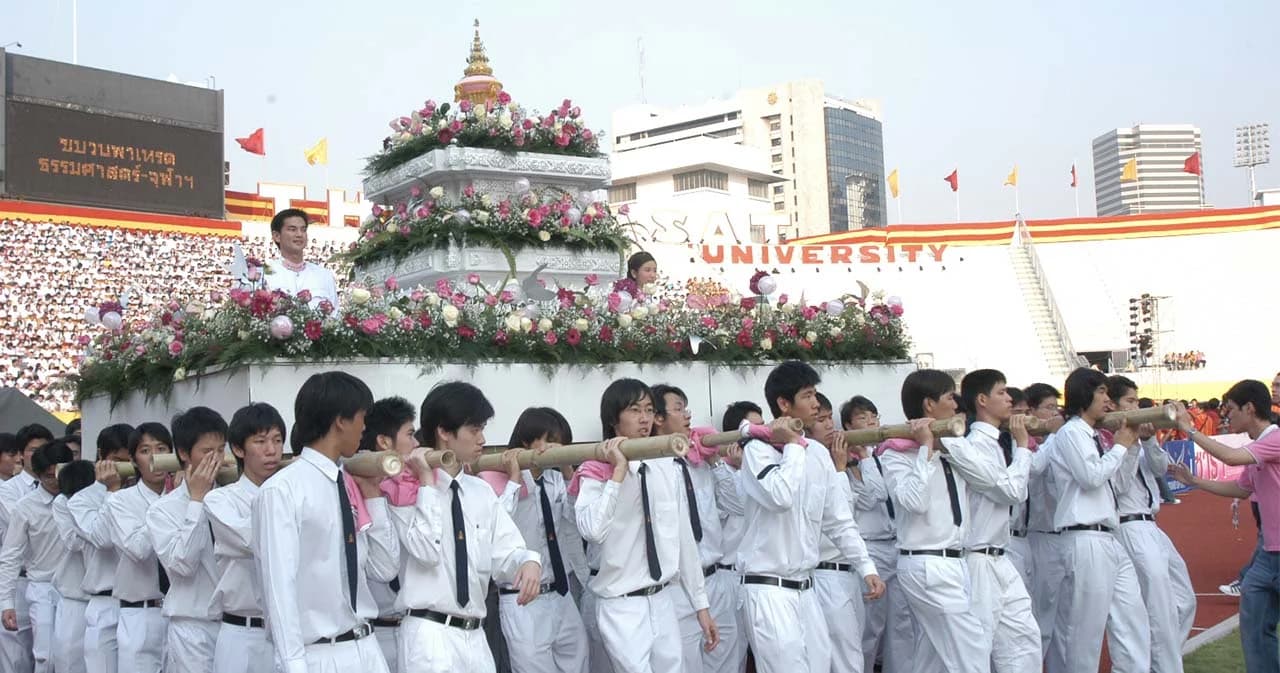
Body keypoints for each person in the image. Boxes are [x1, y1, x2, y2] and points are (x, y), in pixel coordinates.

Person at [737, 361, 882, 673]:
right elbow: (780, 496)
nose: (816, 403)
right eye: (807, 396)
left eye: (815, 394)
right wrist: (792, 445)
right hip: (768, 589)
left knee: (821, 664)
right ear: (784, 404)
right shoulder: (757, 450)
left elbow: (839, 520)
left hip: (807, 587)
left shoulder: (816, 453)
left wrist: (865, 566)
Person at [252, 371, 399, 673]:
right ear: (341, 420)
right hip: (318, 654)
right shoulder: (283, 490)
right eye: (362, 417)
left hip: (367, 648)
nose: (365, 427)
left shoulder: (348, 482)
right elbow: (279, 588)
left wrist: (373, 495)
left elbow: (384, 568)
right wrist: (293, 665)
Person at [390, 381, 541, 673]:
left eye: (482, 429)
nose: (482, 439)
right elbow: (425, 551)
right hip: (429, 635)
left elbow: (506, 554)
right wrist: (426, 483)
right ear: (444, 432)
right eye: (474, 430)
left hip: (475, 636)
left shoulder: (480, 491)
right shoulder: (406, 488)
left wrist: (529, 561)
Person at [575, 378, 717, 673]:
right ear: (613, 419)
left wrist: (701, 606)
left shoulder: (666, 467)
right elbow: (592, 530)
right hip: (621, 604)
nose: (644, 418)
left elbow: (683, 540)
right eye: (634, 410)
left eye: (649, 410)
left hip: (663, 598)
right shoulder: (595, 469)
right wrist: (617, 473)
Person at [878, 369, 996, 673]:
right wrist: (925, 450)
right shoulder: (894, 452)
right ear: (929, 405)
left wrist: (947, 445)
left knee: (933, 659)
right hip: (927, 563)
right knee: (972, 650)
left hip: (956, 561)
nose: (956, 405)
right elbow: (914, 501)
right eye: (949, 398)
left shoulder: (951, 445)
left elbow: (988, 480)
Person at [1166, 380, 1278, 672]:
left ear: (1249, 408)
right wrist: (1194, 481)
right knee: (1254, 628)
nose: (1227, 416)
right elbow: (1241, 489)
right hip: (1267, 555)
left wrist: (1189, 429)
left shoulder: (1275, 439)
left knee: (1257, 627)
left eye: (1231, 409)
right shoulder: (1258, 447)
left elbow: (1229, 457)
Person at [1046, 368, 1149, 673]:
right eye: (1101, 392)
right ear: (1084, 394)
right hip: (1084, 536)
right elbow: (1090, 477)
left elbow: (1118, 485)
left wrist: (1130, 447)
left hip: (1108, 536)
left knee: (1132, 619)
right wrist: (1120, 446)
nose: (1108, 400)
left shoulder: (1095, 436)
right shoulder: (1071, 433)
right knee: (1086, 631)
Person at [1104, 378, 1194, 673]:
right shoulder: (1108, 440)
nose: (1136, 406)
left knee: (1184, 600)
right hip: (1129, 526)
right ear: (1112, 405)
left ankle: (1161, 661)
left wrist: (1149, 440)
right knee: (1157, 609)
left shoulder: (1139, 437)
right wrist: (1129, 446)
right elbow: (1118, 484)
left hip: (1152, 524)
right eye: (1129, 401)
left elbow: (1159, 469)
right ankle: (1161, 666)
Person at [956, 370, 1040, 672]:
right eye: (1002, 392)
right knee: (980, 645)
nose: (1009, 399)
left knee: (1024, 638)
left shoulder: (994, 442)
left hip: (1000, 555)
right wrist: (1022, 446)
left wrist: (1018, 446)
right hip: (978, 557)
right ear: (982, 400)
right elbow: (1013, 492)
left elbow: (1016, 491)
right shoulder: (975, 445)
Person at [495, 407, 590, 673]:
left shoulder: (556, 479)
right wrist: (514, 479)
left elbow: (578, 520)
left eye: (562, 443)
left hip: (560, 591)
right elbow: (495, 527)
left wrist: (568, 469)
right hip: (522, 598)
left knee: (579, 660)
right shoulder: (502, 479)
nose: (556, 448)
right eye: (551, 441)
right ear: (527, 441)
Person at [205, 403, 287, 673]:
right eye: (260, 442)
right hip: (242, 632)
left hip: (285, 632)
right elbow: (257, 540)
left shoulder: (290, 495)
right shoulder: (220, 500)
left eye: (277, 440)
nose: (271, 450)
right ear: (239, 449)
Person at [148, 407, 230, 673]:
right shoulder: (162, 510)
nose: (216, 459)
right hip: (192, 627)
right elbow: (182, 564)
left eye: (221, 450)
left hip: (233, 626)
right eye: (207, 451)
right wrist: (196, 501)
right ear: (184, 453)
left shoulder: (230, 497)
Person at [839, 395, 913, 673]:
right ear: (848, 425)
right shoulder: (848, 459)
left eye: (874, 416)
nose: (871, 422)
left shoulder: (889, 452)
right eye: (862, 417)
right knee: (870, 625)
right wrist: (864, 458)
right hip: (870, 547)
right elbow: (876, 495)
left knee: (901, 623)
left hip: (896, 544)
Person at [107, 423, 177, 673]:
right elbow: (139, 549)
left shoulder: (188, 497)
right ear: (134, 460)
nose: (155, 457)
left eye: (161, 449)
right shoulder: (120, 501)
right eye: (145, 451)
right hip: (140, 613)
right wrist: (168, 504)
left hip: (178, 613)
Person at [0, 440, 74, 673]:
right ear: (39, 474)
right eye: (48, 476)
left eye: (59, 474)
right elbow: (10, 555)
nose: (55, 481)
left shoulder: (79, 500)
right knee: (46, 656)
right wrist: (6, 603)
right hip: (42, 588)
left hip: (76, 590)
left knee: (71, 657)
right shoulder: (26, 506)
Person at [69, 423, 133, 673]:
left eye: (129, 460)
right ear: (101, 457)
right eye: (117, 461)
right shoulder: (81, 500)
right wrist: (112, 492)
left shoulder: (142, 493)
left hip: (142, 604)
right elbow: (103, 539)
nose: (124, 468)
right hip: (105, 602)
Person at [361, 396, 419, 672]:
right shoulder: (355, 488)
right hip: (375, 632)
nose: (416, 443)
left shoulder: (419, 487)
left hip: (415, 627)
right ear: (384, 442)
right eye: (410, 434)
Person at [0, 423, 51, 673]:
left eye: (44, 449)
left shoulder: (62, 489)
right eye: (32, 450)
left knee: (48, 657)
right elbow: (22, 525)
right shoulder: (7, 490)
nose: (38, 455)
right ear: (20, 454)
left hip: (50, 582)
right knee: (16, 657)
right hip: (19, 581)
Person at [1021, 382, 1066, 658]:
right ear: (1032, 411)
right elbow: (1035, 469)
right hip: (1039, 536)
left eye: (1056, 407)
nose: (1055, 413)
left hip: (1064, 536)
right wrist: (1053, 436)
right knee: (1041, 617)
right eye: (1049, 408)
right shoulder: (1026, 444)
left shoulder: (1057, 441)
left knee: (1066, 620)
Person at [715, 401, 761, 673]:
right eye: (753, 430)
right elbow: (741, 504)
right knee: (729, 656)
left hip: (754, 576)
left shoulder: (762, 468)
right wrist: (742, 467)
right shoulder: (719, 472)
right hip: (726, 575)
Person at [53, 459, 98, 673]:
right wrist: (82, 509)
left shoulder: (107, 500)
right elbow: (73, 542)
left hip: (106, 599)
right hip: (74, 597)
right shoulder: (63, 502)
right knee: (70, 661)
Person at [263, 208, 338, 308]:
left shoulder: (324, 275)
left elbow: (334, 314)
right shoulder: (264, 273)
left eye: (303, 230)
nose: (299, 234)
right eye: (292, 229)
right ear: (277, 236)